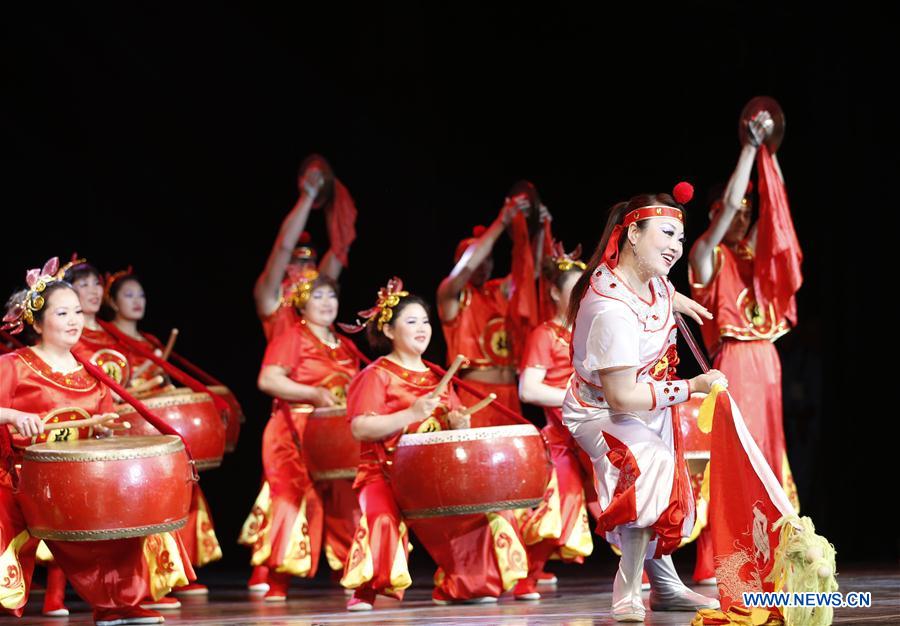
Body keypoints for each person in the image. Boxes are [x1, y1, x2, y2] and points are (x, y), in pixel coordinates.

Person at [1, 257, 192, 626]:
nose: (73, 320)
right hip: (16, 480)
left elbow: (102, 435)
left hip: (71, 486)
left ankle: (117, 605)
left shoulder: (93, 376)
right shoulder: (14, 366)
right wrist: (12, 416)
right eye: (61, 313)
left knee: (118, 526)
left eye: (76, 311)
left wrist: (104, 432)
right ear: (37, 322)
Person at [562, 187, 722, 621]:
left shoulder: (652, 281)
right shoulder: (609, 307)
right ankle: (627, 587)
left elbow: (662, 292)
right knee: (648, 469)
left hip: (647, 405)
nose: (676, 247)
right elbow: (621, 396)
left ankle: (666, 586)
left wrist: (679, 300)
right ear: (632, 233)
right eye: (666, 234)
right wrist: (695, 387)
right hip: (602, 411)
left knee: (667, 486)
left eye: (680, 239)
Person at [341, 278, 527, 611]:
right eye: (411, 321)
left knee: (479, 514)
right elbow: (360, 427)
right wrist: (410, 413)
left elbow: (450, 423)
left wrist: (459, 422)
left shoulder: (434, 376)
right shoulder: (377, 374)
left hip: (430, 479)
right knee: (382, 519)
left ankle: (461, 586)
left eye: (425, 321)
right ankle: (366, 590)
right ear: (388, 330)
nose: (422, 328)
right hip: (384, 475)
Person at [250, 270, 361, 600]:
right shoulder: (291, 337)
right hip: (292, 432)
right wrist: (312, 394)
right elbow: (269, 380)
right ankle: (278, 580)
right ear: (301, 304)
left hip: (334, 436)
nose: (327, 302)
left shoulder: (346, 345)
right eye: (318, 296)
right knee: (294, 498)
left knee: (345, 498)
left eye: (331, 295)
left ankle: (352, 571)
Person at [514, 246, 596, 600]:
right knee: (556, 508)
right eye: (575, 288)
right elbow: (529, 389)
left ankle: (645, 575)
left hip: (599, 433)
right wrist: (574, 395)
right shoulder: (545, 335)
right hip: (562, 436)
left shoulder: (596, 329)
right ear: (553, 292)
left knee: (616, 505)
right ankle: (526, 577)